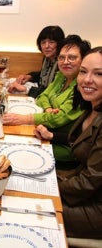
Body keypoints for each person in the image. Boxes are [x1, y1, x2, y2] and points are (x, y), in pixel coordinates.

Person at [35, 47, 102, 239]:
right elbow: (80, 141)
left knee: (30, 210)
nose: (87, 79)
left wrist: (50, 189)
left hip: (95, 206)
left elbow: (89, 182)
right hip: (82, 188)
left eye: (98, 74)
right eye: (84, 71)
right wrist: (52, 136)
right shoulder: (92, 107)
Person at [4, 35, 91, 163]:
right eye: (62, 57)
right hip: (45, 131)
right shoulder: (62, 75)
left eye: (72, 57)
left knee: (16, 149)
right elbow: (43, 96)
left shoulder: (82, 87)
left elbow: (58, 119)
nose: (65, 61)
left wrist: (24, 118)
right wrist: (49, 108)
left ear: (84, 60)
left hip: (65, 145)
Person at [8, 25, 65, 97]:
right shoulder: (47, 58)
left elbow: (54, 93)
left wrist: (26, 89)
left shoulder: (63, 63)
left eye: (51, 42)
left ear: (59, 43)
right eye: (43, 42)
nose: (46, 46)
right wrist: (29, 76)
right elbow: (43, 75)